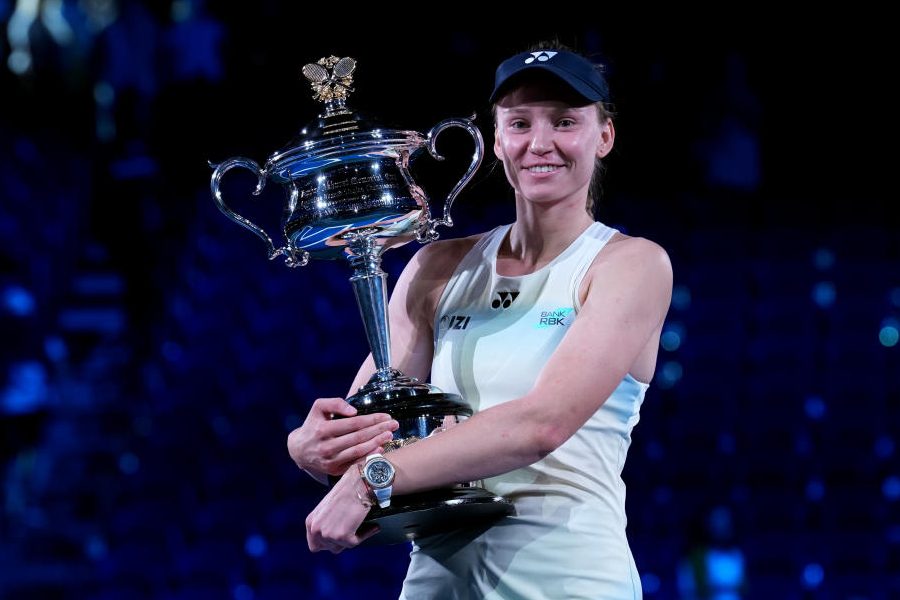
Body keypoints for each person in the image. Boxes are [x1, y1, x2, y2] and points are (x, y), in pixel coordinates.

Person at [288, 45, 673, 599]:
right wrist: (311, 446)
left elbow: (540, 425)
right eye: (520, 123)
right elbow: (372, 433)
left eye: (565, 122)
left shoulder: (629, 265)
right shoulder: (435, 267)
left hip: (569, 581)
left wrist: (375, 481)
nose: (540, 143)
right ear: (497, 139)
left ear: (604, 137)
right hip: (437, 583)